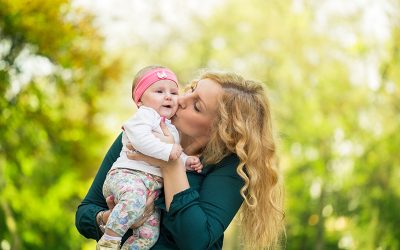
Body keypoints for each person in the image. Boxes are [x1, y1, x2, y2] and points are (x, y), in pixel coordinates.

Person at [76, 70, 285, 249]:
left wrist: (171, 164)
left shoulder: (232, 168)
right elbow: (85, 213)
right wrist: (111, 218)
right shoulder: (140, 135)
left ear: (220, 130)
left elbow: (195, 241)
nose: (181, 100)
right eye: (192, 89)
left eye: (197, 106)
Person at [96, 65, 203, 250]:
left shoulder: (170, 127)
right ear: (139, 101)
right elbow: (141, 141)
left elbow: (174, 154)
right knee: (133, 201)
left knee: (149, 234)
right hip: (127, 176)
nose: (168, 96)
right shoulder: (145, 116)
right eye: (159, 91)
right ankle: (109, 241)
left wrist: (186, 161)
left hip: (150, 189)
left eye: (173, 92)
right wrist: (168, 152)